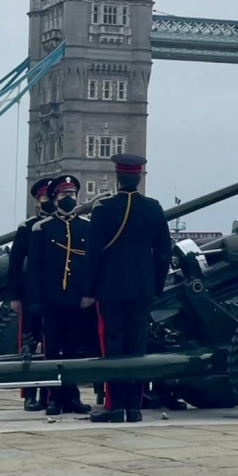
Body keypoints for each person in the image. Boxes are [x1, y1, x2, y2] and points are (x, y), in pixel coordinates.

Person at [86, 153, 173, 423]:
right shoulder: (153, 208)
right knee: (137, 346)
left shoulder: (103, 210)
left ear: (117, 176)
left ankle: (114, 407)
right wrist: (155, 285)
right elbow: (163, 253)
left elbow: (92, 255)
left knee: (112, 345)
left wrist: (89, 291)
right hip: (142, 288)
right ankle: (133, 408)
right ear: (139, 176)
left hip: (109, 289)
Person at [26, 175, 93, 416]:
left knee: (74, 350)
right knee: (52, 350)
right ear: (55, 200)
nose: (69, 199)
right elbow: (34, 266)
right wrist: (36, 299)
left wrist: (89, 293)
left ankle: (73, 397)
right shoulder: (41, 229)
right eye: (64, 195)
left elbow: (91, 265)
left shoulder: (86, 226)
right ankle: (54, 399)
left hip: (77, 299)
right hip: (52, 299)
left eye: (72, 195)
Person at [9, 177, 54, 411]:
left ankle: (54, 393)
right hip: (31, 295)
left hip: (57, 294)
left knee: (55, 345)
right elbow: (15, 264)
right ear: (38, 201)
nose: (49, 202)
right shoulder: (26, 228)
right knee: (29, 344)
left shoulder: (62, 226)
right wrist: (15, 296)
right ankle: (30, 393)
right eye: (45, 198)